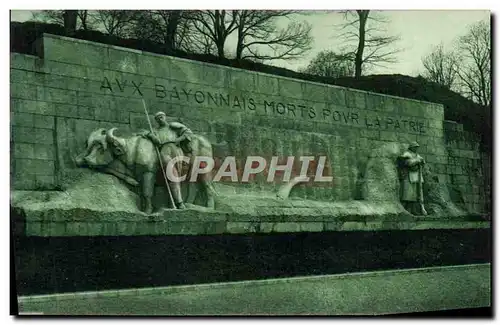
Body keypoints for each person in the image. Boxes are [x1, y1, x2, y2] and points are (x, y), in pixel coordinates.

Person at [143, 111, 193, 209]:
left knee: (178, 175)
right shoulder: (155, 131)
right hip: (165, 151)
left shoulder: (173, 126)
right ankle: (179, 202)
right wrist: (151, 135)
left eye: (161, 117)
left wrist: (177, 140)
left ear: (165, 117)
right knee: (172, 172)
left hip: (176, 149)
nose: (160, 119)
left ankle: (176, 200)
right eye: (157, 119)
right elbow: (157, 142)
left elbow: (188, 133)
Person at [397, 141, 427, 215]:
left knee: (414, 195)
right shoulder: (406, 154)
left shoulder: (417, 155)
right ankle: (403, 210)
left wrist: (422, 161)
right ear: (411, 147)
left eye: (417, 147)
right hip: (408, 176)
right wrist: (416, 161)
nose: (416, 149)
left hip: (416, 177)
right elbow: (407, 163)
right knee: (406, 194)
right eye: (415, 147)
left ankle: (412, 210)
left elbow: (422, 161)